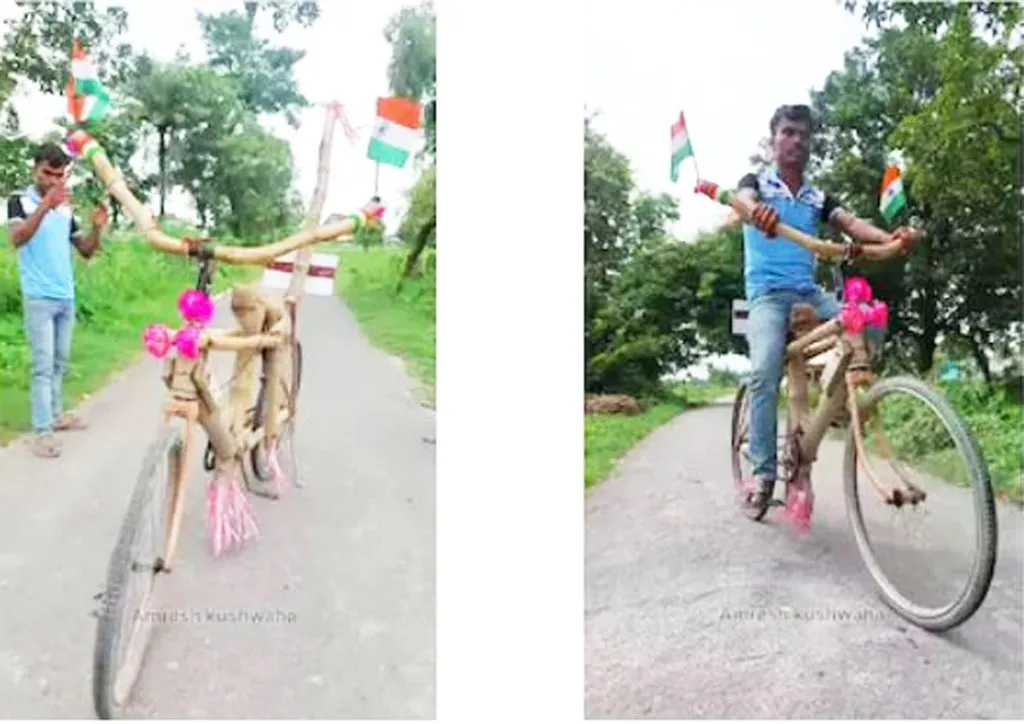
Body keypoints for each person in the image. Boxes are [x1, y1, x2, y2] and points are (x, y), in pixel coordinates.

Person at [734, 104, 917, 509]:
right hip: (767, 295)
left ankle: (835, 406)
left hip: (808, 292)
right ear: (773, 139)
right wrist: (755, 211)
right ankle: (764, 474)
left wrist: (891, 239)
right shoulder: (757, 183)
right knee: (765, 370)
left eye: (804, 134)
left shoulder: (817, 196)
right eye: (788, 132)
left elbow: (851, 224)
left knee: (866, 321)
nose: (797, 140)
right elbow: (741, 201)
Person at [6, 142, 109, 458]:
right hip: (38, 297)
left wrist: (97, 228)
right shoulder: (18, 201)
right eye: (47, 173)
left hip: (66, 295)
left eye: (59, 175)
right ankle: (42, 432)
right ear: (35, 168)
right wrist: (45, 206)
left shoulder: (66, 208)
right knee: (42, 366)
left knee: (60, 362)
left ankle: (56, 414)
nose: (53, 180)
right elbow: (17, 238)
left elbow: (86, 250)